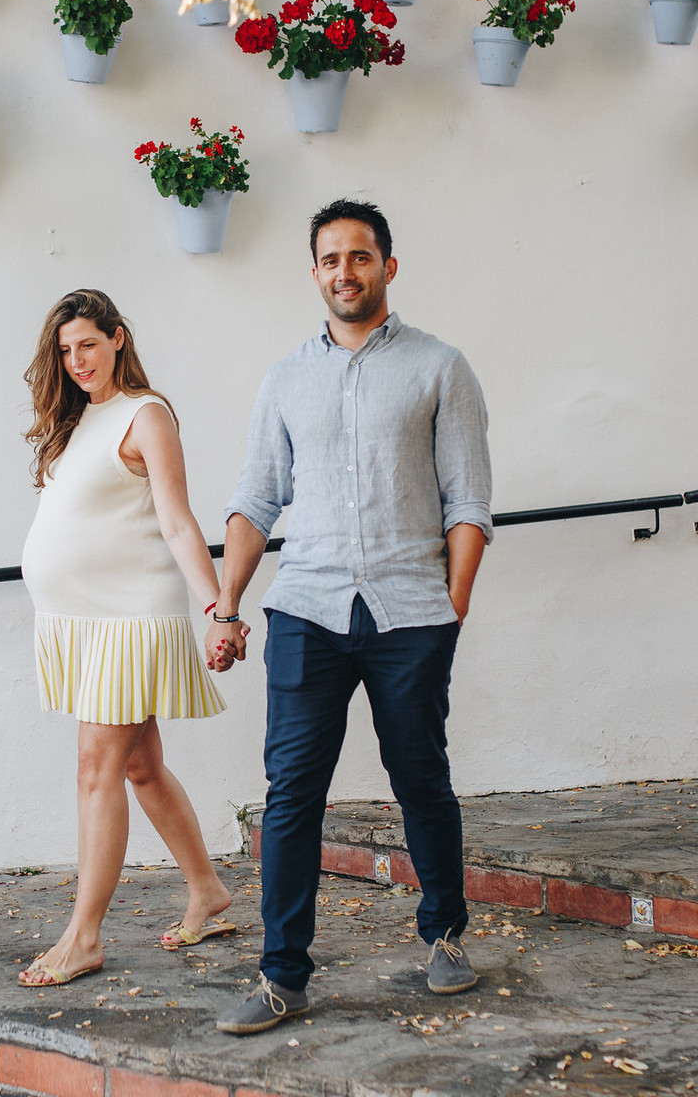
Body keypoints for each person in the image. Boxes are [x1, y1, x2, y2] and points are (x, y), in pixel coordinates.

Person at [210, 200, 492, 1034]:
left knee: (421, 780)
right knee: (292, 791)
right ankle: (281, 976)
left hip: (411, 610)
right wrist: (227, 604)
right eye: (330, 259)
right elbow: (256, 500)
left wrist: (453, 607)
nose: (345, 272)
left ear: (388, 267)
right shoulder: (285, 377)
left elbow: (469, 499)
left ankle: (443, 934)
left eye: (360, 257)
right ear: (315, 273)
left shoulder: (442, 368)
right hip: (306, 608)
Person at [16, 289, 251, 987]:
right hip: (83, 622)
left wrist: (219, 609)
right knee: (139, 766)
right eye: (65, 350)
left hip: (127, 621)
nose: (77, 359)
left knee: (96, 767)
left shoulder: (146, 414)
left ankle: (83, 937)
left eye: (88, 343)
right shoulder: (78, 421)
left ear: (118, 338)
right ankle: (207, 891)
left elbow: (178, 522)